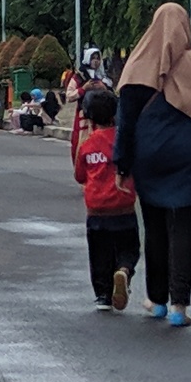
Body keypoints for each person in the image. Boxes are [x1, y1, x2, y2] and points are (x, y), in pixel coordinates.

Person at [113, 3, 191, 329]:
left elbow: (125, 124)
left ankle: (156, 301)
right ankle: (180, 305)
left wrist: (122, 166)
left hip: (150, 156)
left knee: (154, 228)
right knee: (184, 229)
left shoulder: (137, 66)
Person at [73, 87, 139, 309]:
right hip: (123, 206)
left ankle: (103, 295)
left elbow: (79, 176)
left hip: (96, 209)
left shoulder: (88, 145)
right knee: (129, 248)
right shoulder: (123, 141)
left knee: (99, 252)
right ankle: (124, 270)